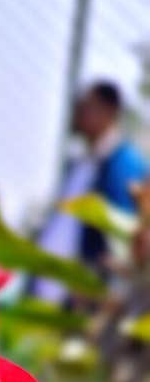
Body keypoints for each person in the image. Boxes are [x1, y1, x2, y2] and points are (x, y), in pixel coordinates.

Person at [34, 81, 148, 301]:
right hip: (51, 289)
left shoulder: (123, 164)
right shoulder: (81, 163)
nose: (78, 113)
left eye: (87, 106)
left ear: (108, 112)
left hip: (86, 295)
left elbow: (123, 237)